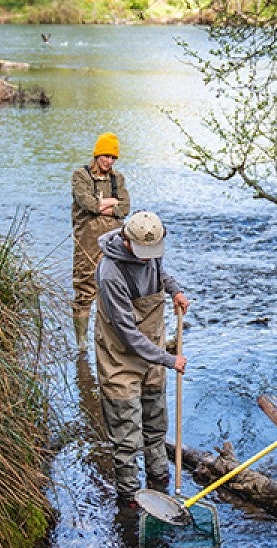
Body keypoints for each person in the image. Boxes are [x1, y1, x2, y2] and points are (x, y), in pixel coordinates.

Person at [95, 211, 188, 508]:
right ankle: (130, 498)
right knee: (127, 434)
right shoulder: (110, 273)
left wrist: (174, 290)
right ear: (126, 240)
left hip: (153, 355)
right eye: (142, 252)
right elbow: (127, 333)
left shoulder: (152, 252)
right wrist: (168, 359)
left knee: (156, 422)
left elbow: (160, 273)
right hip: (120, 357)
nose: (149, 258)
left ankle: (159, 480)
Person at [71, 132, 130, 353]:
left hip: (114, 241)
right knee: (84, 287)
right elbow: (87, 203)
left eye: (113, 158)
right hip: (87, 240)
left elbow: (124, 208)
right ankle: (81, 345)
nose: (109, 162)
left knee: (114, 287)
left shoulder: (118, 179)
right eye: (106, 156)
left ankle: (110, 337)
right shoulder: (81, 175)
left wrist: (101, 205)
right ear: (97, 155)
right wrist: (107, 204)